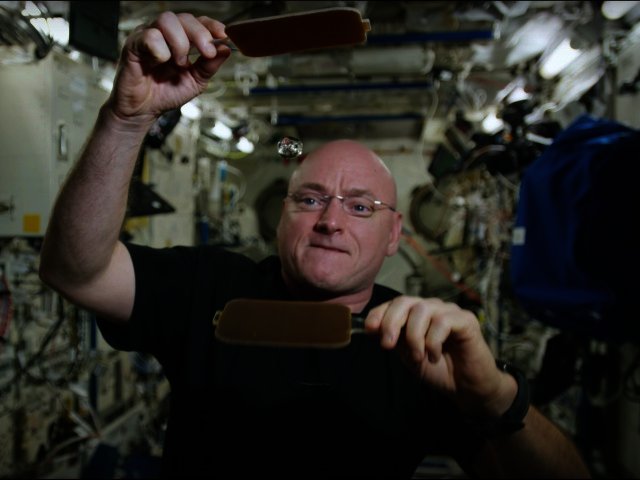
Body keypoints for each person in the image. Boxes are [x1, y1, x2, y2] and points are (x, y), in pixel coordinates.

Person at [39, 11, 591, 478]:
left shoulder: (422, 343)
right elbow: (76, 272)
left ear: (394, 233)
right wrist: (127, 120)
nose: (330, 221)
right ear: (281, 217)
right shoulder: (209, 288)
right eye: (310, 199)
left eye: (360, 207)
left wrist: (497, 398)